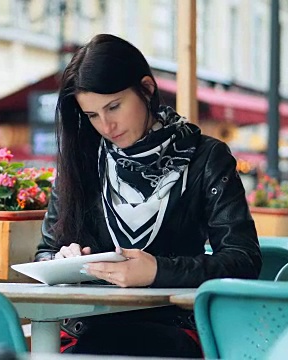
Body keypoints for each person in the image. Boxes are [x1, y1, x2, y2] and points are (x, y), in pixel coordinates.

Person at [35, 34, 262, 358]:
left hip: (174, 328)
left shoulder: (206, 157)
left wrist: (158, 271)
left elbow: (244, 261)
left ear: (146, 88)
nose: (106, 125)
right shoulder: (82, 159)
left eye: (113, 106)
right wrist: (61, 261)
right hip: (89, 328)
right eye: (92, 115)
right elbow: (44, 253)